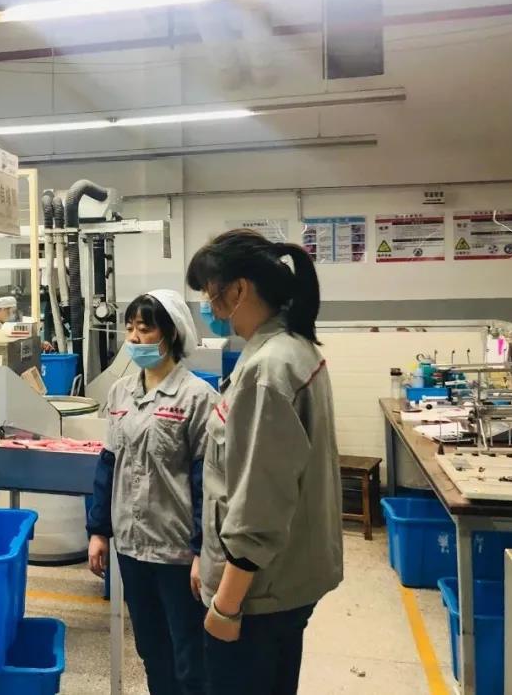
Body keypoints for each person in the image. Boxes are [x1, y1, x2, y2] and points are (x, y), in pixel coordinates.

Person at [186, 229, 343, 695]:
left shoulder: (267, 371)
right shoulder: (292, 349)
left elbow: (260, 503)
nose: (210, 307)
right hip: (283, 581)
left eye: (211, 294)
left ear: (239, 290)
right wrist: (206, 559)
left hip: (257, 596)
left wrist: (226, 605)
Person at [87, 289, 218, 695]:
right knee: (151, 649)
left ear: (171, 334)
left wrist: (202, 551)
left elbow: (209, 481)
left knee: (189, 655)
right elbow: (108, 464)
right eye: (130, 328)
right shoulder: (120, 393)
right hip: (131, 546)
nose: (134, 337)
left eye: (145, 329)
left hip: (177, 550)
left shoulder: (198, 397)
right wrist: (99, 530)